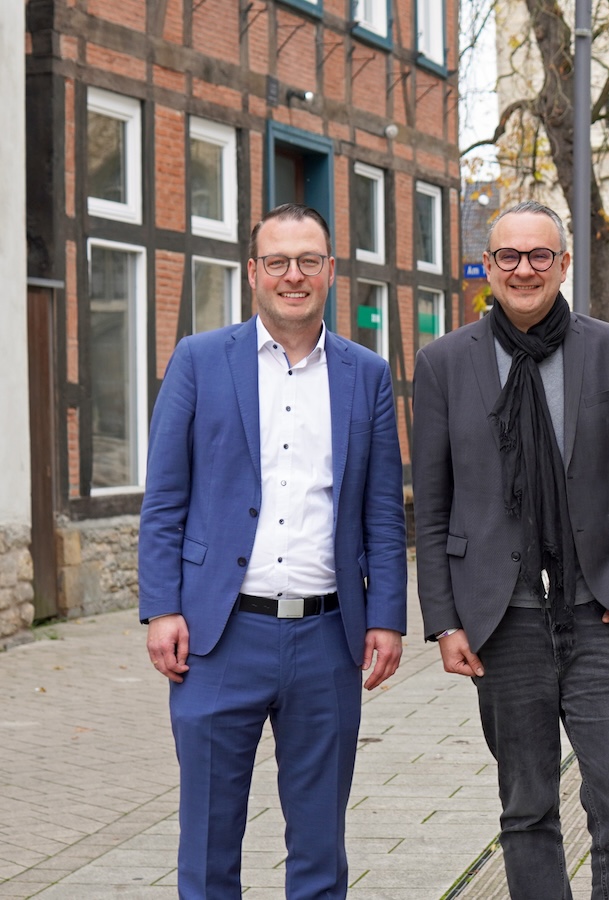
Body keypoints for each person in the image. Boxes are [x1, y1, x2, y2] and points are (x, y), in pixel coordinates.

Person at [138, 203, 408, 898]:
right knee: (207, 845)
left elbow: (382, 510)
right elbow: (165, 497)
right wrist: (161, 608)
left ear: (330, 271)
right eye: (279, 261)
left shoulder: (367, 374)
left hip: (328, 639)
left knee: (319, 847)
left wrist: (387, 617)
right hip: (217, 636)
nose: (294, 276)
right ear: (254, 271)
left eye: (308, 261)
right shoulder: (199, 361)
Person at [412, 200, 609, 897]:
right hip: (501, 618)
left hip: (599, 608)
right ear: (488, 266)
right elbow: (432, 505)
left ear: (564, 263)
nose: (525, 269)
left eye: (540, 255)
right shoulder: (443, 363)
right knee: (526, 809)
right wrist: (445, 621)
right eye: (510, 256)